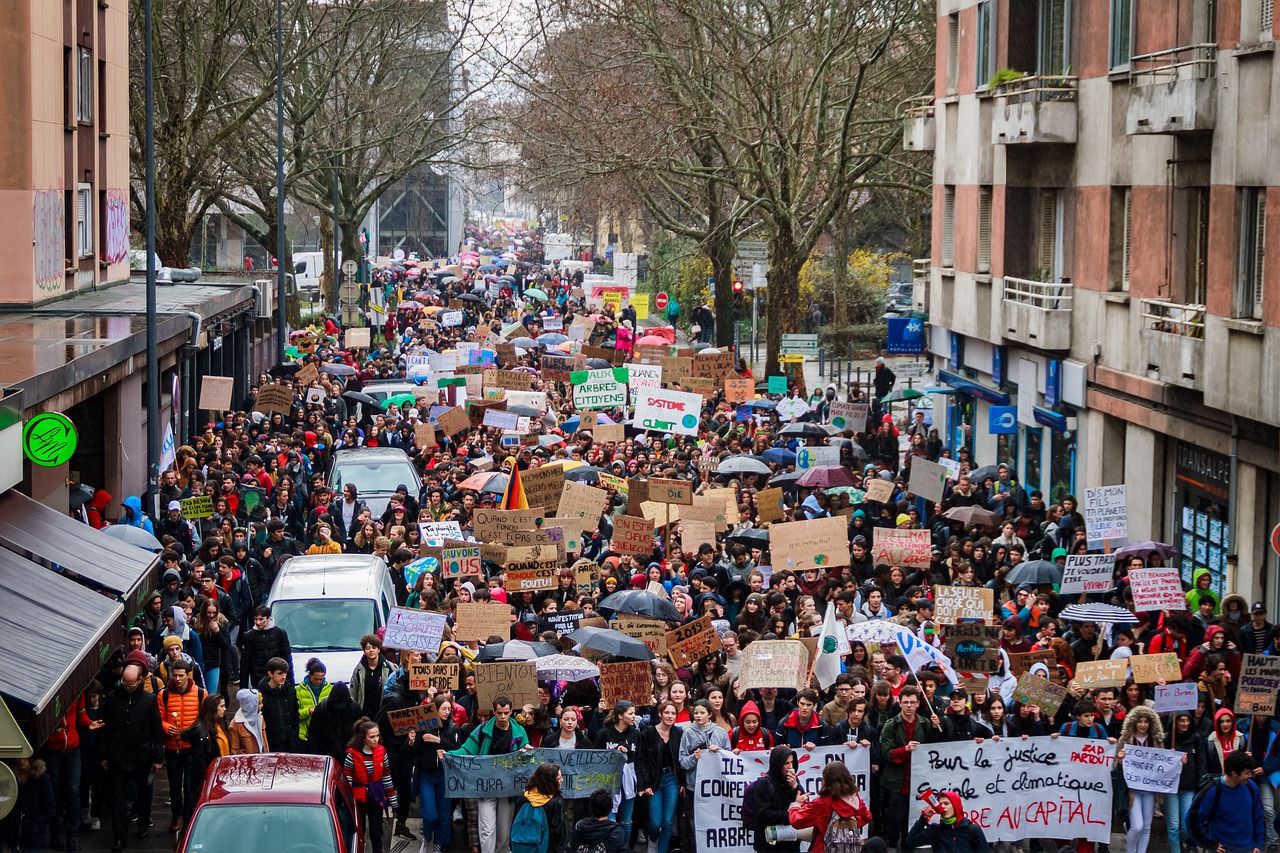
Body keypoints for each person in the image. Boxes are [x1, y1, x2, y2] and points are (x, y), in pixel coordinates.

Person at [451, 695, 532, 853]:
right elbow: (467, 750)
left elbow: (527, 758)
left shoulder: (519, 731)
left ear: (511, 712)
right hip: (486, 787)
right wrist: (449, 754)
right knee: (487, 830)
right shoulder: (483, 729)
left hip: (507, 790)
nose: (503, 717)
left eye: (506, 713)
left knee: (503, 833)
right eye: (499, 713)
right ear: (494, 712)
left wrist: (526, 753)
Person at [101, 658, 164, 852]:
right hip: (118, 755)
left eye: (131, 683)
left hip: (141, 755)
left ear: (139, 680)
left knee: (143, 794)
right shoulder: (112, 698)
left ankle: (144, 822)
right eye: (124, 683)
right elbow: (106, 728)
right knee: (118, 798)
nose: (127, 687)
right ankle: (119, 837)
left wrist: (158, 758)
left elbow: (156, 730)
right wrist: (104, 755)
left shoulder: (149, 699)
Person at [408, 694, 464, 853]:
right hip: (426, 775)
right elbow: (415, 751)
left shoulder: (454, 728)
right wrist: (412, 742)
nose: (446, 712)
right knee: (429, 814)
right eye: (443, 709)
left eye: (449, 709)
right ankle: (427, 838)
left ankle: (438, 844)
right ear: (435, 710)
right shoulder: (424, 726)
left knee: (444, 816)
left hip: (445, 776)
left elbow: (458, 748)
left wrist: (439, 741)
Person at [157, 659, 206, 833]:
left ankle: (189, 817)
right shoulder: (163, 695)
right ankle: (176, 815)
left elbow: (205, 718)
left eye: (180, 675)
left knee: (191, 787)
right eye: (175, 675)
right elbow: (159, 718)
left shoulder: (201, 693)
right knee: (175, 787)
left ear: (188, 675)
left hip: (192, 749)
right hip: (172, 748)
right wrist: (165, 727)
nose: (177, 679)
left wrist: (194, 730)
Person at [786, 760, 873, 853]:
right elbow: (867, 817)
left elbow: (796, 821)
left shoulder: (822, 802)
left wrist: (795, 805)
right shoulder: (855, 799)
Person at [1116, 705, 1167, 853]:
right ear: (1134, 722)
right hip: (1132, 790)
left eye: (1146, 721)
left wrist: (1177, 759)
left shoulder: (1156, 740)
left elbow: (1164, 762)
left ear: (1151, 723)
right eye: (1140, 721)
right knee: (1137, 826)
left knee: (1146, 826)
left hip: (1150, 790)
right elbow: (1114, 764)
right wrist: (1119, 759)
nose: (1143, 724)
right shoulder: (1125, 739)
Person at [344, 718, 397, 853]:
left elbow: (386, 776)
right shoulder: (352, 754)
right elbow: (348, 779)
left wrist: (393, 800)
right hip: (358, 798)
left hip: (376, 796)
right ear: (363, 738)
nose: (376, 739)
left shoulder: (382, 751)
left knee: (375, 832)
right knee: (358, 832)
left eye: (377, 735)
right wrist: (349, 801)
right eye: (372, 736)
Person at [637, 701, 684, 853]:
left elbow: (681, 759)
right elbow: (642, 760)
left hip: (672, 779)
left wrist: (681, 781)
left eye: (673, 713)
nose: (670, 716)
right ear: (660, 714)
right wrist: (645, 784)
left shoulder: (678, 733)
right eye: (667, 713)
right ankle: (652, 839)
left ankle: (662, 850)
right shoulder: (649, 732)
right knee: (656, 821)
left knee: (668, 820)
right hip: (654, 780)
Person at [1197, 750, 1266, 853]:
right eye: (1247, 773)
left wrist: (1259, 844)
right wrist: (1208, 843)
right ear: (1234, 773)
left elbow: (1258, 816)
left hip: (1248, 849)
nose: (1250, 776)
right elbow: (1193, 818)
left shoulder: (1251, 787)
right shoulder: (1212, 790)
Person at [178, 693, 229, 824]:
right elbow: (200, 763)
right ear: (213, 708)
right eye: (222, 706)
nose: (225, 709)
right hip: (209, 779)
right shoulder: (202, 732)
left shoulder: (219, 724)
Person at [593, 701, 641, 839]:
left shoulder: (635, 734)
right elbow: (596, 757)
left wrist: (627, 753)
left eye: (634, 713)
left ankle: (624, 848)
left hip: (629, 780)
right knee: (610, 820)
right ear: (620, 716)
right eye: (630, 713)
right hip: (608, 780)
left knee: (626, 822)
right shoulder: (604, 733)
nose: (634, 716)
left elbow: (638, 757)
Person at [744, 746, 802, 853]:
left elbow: (802, 802)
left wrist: (795, 787)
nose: (790, 767)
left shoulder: (793, 780)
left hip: (791, 844)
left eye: (792, 762)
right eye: (786, 763)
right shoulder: (764, 784)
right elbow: (763, 815)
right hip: (769, 845)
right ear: (777, 764)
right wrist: (789, 813)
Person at [906, 790, 991, 853]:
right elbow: (911, 841)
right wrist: (923, 819)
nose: (943, 807)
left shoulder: (972, 830)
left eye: (946, 804)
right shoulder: (935, 830)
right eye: (940, 804)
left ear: (956, 806)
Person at [512, 762, 569, 853]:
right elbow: (559, 835)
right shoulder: (557, 802)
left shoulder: (523, 798)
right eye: (559, 778)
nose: (562, 780)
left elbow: (514, 824)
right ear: (551, 782)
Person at [4, 757, 56, 853]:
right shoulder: (9, 777)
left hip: (33, 837)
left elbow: (50, 808)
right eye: (19, 758)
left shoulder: (42, 778)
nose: (21, 760)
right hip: (14, 835)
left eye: (25, 758)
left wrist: (36, 826)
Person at [256, 657, 299, 753]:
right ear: (270, 674)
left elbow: (295, 715)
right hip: (272, 744)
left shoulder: (290, 690)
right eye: (280, 673)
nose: (283, 676)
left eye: (285, 673)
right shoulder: (261, 694)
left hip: (290, 743)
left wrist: (294, 737)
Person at [308, 682, 359, 761]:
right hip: (326, 752)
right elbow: (313, 734)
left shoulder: (354, 708)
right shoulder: (322, 709)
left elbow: (359, 732)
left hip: (348, 752)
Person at [350, 634, 396, 720]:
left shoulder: (389, 667)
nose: (371, 650)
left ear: (379, 649)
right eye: (368, 648)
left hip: (383, 713)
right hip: (364, 714)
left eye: (374, 647)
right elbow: (354, 693)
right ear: (364, 651)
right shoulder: (359, 669)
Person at [570, 788, 630, 853]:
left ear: (591, 808)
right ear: (610, 808)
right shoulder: (617, 833)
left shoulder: (580, 828)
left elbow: (569, 849)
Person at [295, 658, 332, 749]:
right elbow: (294, 715)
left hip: (324, 735)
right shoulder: (298, 690)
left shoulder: (330, 689)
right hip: (305, 736)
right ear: (309, 675)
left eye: (321, 679)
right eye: (316, 679)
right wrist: (308, 711)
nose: (319, 682)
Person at [229, 688, 268, 754]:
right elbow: (234, 751)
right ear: (251, 705)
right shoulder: (235, 726)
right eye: (259, 703)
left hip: (263, 760)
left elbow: (265, 743)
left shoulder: (260, 718)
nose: (262, 705)